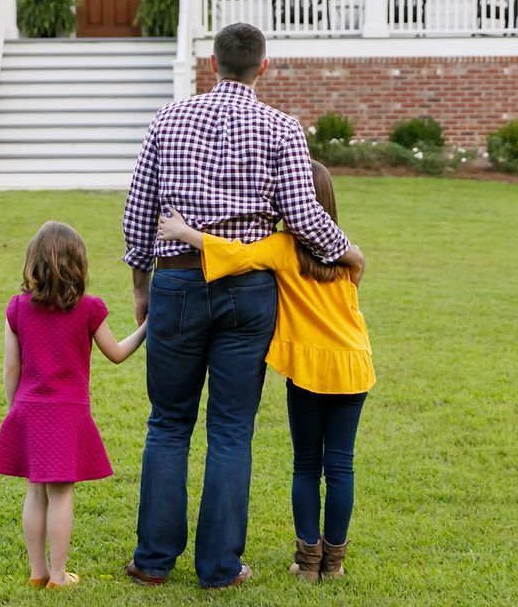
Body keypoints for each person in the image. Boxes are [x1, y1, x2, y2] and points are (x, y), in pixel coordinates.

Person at [122, 22, 364, 590]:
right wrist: (348, 250)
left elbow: (139, 210)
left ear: (212, 63)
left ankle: (153, 561)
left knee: (167, 423)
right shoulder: (281, 128)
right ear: (264, 67)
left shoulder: (166, 120)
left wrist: (140, 287)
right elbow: (304, 217)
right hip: (249, 292)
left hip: (176, 283)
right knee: (231, 430)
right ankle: (220, 568)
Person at [157, 159, 374, 582]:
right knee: (342, 466)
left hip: (310, 369)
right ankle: (336, 563)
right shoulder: (348, 253)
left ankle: (308, 564)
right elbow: (356, 275)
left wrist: (185, 234)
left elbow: (237, 256)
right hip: (353, 364)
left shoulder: (281, 247)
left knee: (307, 465)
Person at [0, 220, 147, 590]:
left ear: (33, 263)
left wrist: (15, 411)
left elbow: (11, 368)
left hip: (28, 410)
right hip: (67, 413)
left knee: (35, 490)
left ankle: (38, 572)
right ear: (79, 265)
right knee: (61, 494)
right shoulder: (89, 309)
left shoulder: (17, 308)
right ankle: (59, 576)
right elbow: (117, 353)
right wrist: (147, 326)